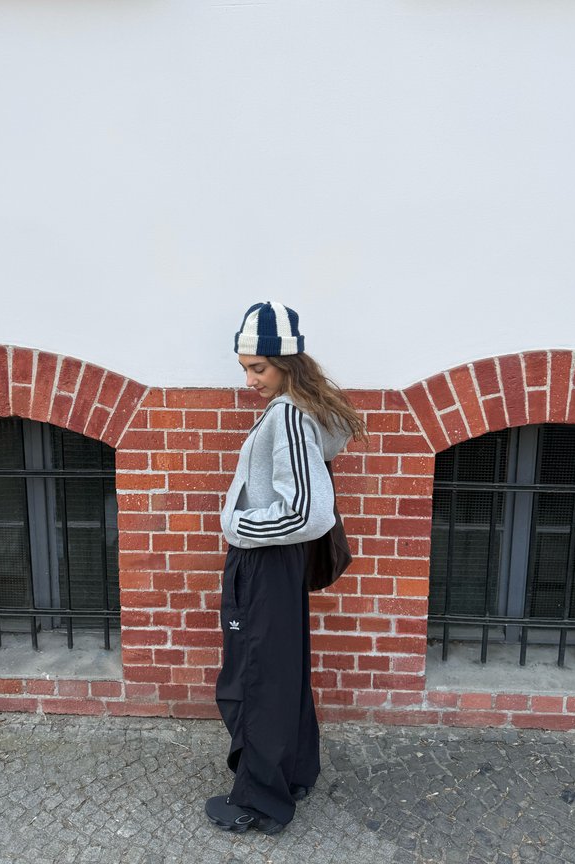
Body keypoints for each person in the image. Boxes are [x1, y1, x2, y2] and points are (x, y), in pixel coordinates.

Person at [205, 301, 365, 835]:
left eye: (259, 368)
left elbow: (307, 511)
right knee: (281, 672)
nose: (251, 379)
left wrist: (240, 528)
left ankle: (259, 802)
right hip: (280, 566)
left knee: (255, 678)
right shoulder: (297, 408)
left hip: (265, 563)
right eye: (245, 367)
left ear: (288, 362)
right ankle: (293, 773)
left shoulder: (290, 414)